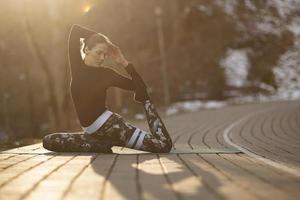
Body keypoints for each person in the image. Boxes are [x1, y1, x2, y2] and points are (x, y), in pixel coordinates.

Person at [42, 24, 173, 153]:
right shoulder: (77, 68)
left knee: (163, 145)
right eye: (99, 52)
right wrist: (102, 38)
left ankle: (106, 141)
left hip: (113, 128)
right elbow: (75, 30)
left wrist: (124, 63)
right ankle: (101, 143)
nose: (102, 58)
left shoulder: (106, 74)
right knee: (48, 141)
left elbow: (138, 87)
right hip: (92, 132)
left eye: (105, 54)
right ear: (86, 49)